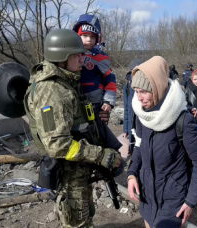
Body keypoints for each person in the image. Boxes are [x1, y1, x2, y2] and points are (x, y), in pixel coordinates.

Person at [24, 29, 123, 227]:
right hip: (70, 171)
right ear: (62, 58)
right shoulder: (53, 91)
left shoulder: (66, 80)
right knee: (78, 221)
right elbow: (57, 144)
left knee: (85, 215)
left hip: (78, 166)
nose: (82, 59)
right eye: (77, 55)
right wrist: (100, 155)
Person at [127, 56, 197, 228]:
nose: (139, 98)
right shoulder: (143, 115)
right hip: (147, 199)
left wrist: (191, 201)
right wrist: (132, 173)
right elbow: (139, 146)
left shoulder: (182, 120)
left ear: (157, 88)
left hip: (173, 203)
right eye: (136, 91)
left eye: (143, 91)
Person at [72, 14, 117, 122]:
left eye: (92, 36)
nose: (89, 39)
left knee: (96, 131)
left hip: (96, 103)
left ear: (98, 37)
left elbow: (110, 80)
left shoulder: (100, 57)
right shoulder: (69, 54)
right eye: (85, 35)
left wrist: (108, 101)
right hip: (74, 101)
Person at [123, 58, 144, 155]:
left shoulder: (147, 84)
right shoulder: (127, 86)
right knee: (134, 150)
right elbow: (127, 109)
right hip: (132, 124)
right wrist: (125, 129)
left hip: (144, 123)